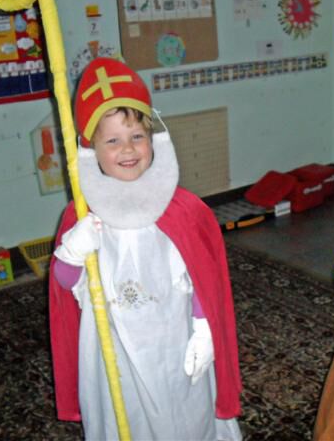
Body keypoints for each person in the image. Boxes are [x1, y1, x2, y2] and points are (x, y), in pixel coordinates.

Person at [48, 57, 242, 440]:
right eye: (112, 141)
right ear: (91, 148)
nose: (128, 149)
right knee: (128, 418)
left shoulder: (183, 208)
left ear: (153, 138)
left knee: (185, 413)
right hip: (114, 351)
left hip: (175, 339)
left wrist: (205, 328)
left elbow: (202, 279)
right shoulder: (82, 216)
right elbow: (64, 285)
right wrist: (71, 253)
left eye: (137, 136)